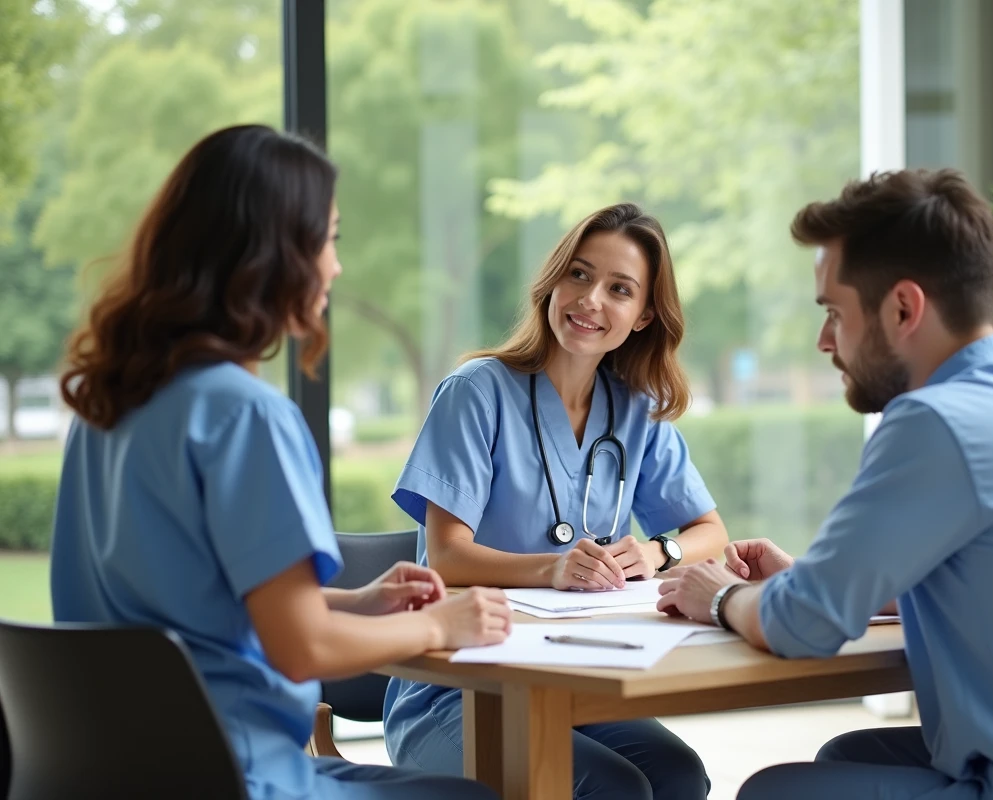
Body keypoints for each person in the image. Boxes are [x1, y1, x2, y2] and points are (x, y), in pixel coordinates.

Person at [656, 168, 993, 800]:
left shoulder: (938, 421)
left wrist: (718, 595)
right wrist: (813, 578)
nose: (825, 340)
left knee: (775, 792)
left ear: (903, 308)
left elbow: (801, 626)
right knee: (850, 752)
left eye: (834, 313)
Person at [49, 124, 511, 800]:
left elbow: (180, 599)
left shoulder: (105, 408)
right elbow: (302, 651)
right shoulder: (244, 415)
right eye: (328, 240)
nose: (335, 266)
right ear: (273, 255)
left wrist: (352, 603)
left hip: (119, 773)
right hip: (238, 775)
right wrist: (442, 623)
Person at [383, 202, 726, 799]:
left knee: (678, 777)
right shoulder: (476, 392)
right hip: (458, 690)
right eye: (580, 274)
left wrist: (656, 553)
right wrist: (553, 568)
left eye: (619, 289)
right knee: (613, 789)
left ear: (644, 315)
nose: (591, 299)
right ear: (553, 282)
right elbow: (446, 556)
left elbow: (709, 532)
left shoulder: (636, 409)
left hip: (575, 680)